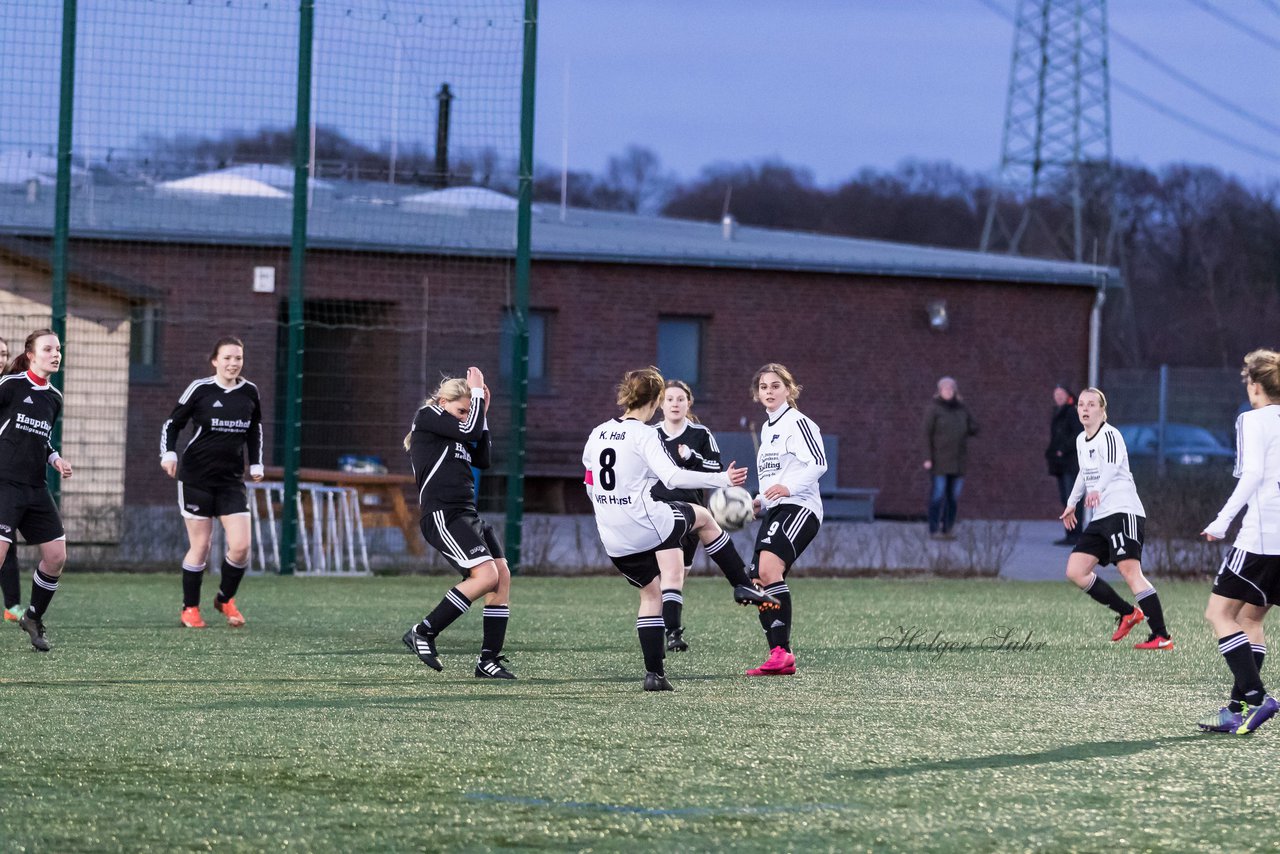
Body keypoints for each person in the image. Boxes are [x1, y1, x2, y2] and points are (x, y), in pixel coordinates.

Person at [582, 366, 776, 691]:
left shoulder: (599, 432)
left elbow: (589, 483)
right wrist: (722, 480)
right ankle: (742, 584)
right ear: (658, 399)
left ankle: (654, 675)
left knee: (650, 593)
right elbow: (673, 477)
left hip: (613, 536)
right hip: (647, 523)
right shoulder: (644, 435)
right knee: (703, 517)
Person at [401, 367, 516, 679]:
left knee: (501, 575)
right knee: (486, 575)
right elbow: (470, 432)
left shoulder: (462, 428)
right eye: (460, 410)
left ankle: (488, 661)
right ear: (442, 403)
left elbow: (484, 459)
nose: (466, 417)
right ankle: (423, 632)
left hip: (468, 514)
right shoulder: (427, 416)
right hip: (442, 514)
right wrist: (476, 396)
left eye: (469, 412)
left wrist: (483, 412)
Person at [1197, 349, 1280, 735]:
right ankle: (1235, 710)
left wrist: (1221, 520)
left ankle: (1257, 697)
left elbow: (1252, 476)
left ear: (1255, 385)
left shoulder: (1251, 419)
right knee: (1250, 618)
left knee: (1218, 614)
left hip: (1260, 538)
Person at [160, 337, 264, 628]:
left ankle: (224, 598)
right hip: (196, 479)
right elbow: (172, 423)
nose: (233, 363)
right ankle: (190, 608)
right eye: (228, 358)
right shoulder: (200, 389)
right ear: (215, 361)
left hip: (231, 481)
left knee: (241, 547)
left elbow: (255, 429)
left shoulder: (250, 392)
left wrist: (256, 462)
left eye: (238, 358)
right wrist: (168, 454)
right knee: (202, 546)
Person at [1060, 388, 1173, 650]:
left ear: (1102, 410)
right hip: (1101, 516)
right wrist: (1072, 502)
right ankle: (1127, 612)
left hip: (1124, 510)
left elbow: (1111, 465)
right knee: (1076, 571)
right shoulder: (1081, 440)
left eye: (1091, 404)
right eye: (1081, 405)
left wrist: (1098, 487)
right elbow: (1083, 473)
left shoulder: (1110, 434)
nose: (1085, 409)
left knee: (1129, 571)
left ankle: (1161, 636)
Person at [746, 363, 827, 677]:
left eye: (776, 385)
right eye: (764, 387)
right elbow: (774, 480)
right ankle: (780, 654)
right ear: (757, 394)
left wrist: (789, 488)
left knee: (769, 569)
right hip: (778, 508)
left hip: (801, 506)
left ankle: (782, 653)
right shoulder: (767, 430)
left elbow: (818, 464)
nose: (769, 391)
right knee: (757, 578)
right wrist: (759, 501)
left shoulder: (797, 421)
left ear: (789, 390)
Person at [0, 329, 75, 651]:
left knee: (56, 557)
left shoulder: (54, 397)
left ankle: (32, 616)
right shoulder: (10, 386)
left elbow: (41, 437)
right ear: (30, 354)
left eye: (58, 349)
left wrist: (55, 457)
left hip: (35, 486)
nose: (55, 354)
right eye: (48, 349)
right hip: (4, 483)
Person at [649, 379, 722, 653]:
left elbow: (716, 468)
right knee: (669, 573)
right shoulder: (650, 435)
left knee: (679, 576)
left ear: (688, 403)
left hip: (692, 513)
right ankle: (670, 632)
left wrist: (692, 458)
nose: (675, 404)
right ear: (661, 404)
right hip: (659, 512)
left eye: (680, 399)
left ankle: (660, 623)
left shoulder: (701, 434)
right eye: (670, 399)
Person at [922, 376, 978, 539]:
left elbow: (973, 426)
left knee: (953, 497)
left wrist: (970, 428)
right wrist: (927, 457)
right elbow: (925, 434)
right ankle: (934, 529)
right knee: (938, 495)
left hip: (958, 461)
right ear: (940, 391)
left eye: (951, 388)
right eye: (945, 389)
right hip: (939, 460)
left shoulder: (962, 408)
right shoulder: (934, 409)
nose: (949, 391)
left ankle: (948, 528)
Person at [0, 336, 23, 623]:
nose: (0, 358)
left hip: (6, 474)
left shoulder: (10, 389)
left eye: (3, 353)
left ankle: (13, 605)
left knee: (6, 538)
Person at [1046, 384, 1084, 546]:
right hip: (1061, 463)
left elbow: (1078, 434)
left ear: (1068, 395)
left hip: (1072, 463)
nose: (1058, 397)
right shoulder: (1058, 412)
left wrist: (1063, 449)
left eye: (1061, 394)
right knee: (1065, 499)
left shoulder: (1071, 411)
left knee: (1072, 500)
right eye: (1056, 394)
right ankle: (1070, 534)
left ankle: (1076, 534)